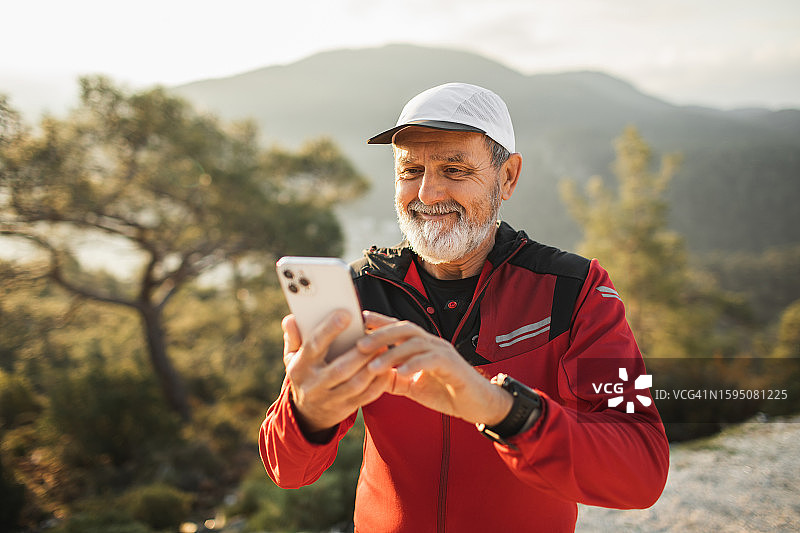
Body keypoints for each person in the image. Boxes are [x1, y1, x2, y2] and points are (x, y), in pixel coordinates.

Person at [259, 82, 669, 532]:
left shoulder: (574, 291)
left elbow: (642, 471)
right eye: (410, 170)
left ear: (508, 177)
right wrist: (307, 412)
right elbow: (288, 471)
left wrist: (501, 408)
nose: (428, 193)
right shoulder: (358, 292)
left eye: (454, 169)